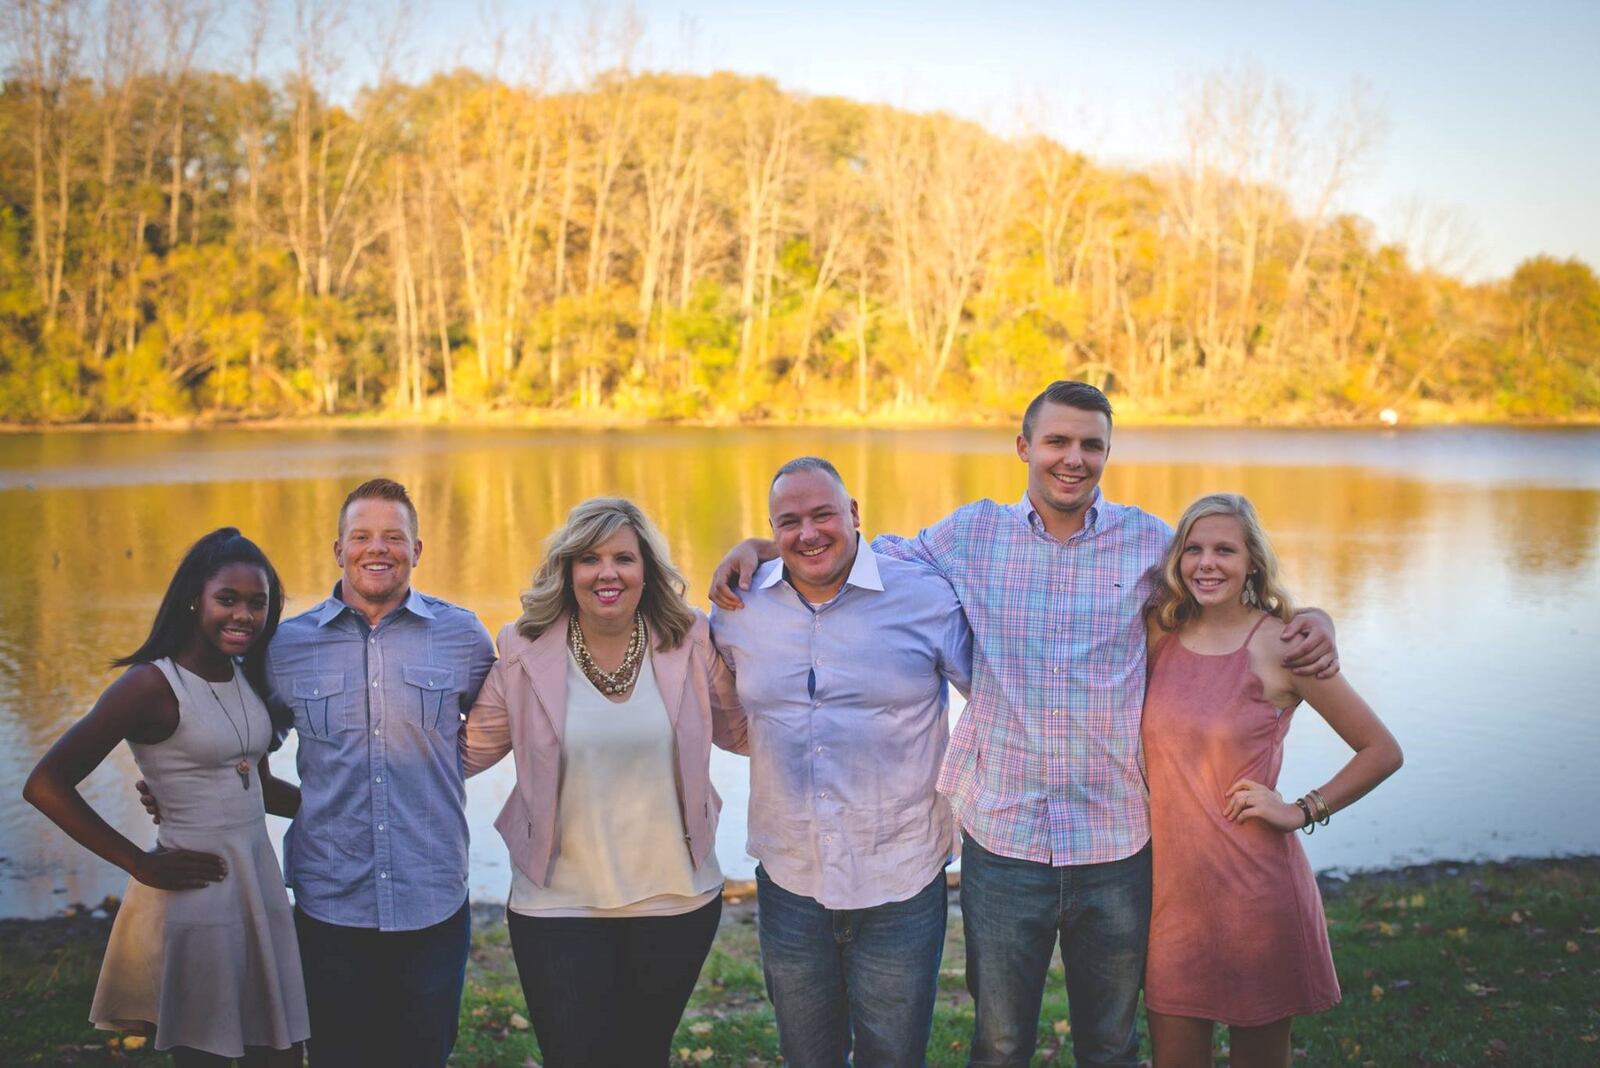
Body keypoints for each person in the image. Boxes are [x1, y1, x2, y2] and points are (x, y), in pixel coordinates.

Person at [711, 381, 1341, 1068]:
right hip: (1004, 840)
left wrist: (1309, 618)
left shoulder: (1150, 544)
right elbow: (854, 553)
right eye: (1058, 442)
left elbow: (1226, 593)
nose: (1073, 459)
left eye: (1091, 445)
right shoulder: (968, 535)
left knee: (1109, 1044)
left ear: (1106, 453)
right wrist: (762, 546)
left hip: (1118, 841)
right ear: (1024, 448)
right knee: (1001, 1043)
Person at [141, 478, 496, 1067]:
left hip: (431, 898)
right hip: (330, 903)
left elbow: (506, 723)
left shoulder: (462, 635)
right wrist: (181, 786)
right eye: (361, 536)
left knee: (424, 1055)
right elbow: (241, 742)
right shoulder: (286, 646)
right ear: (338, 550)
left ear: (418, 549)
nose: (376, 549)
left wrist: (442, 775)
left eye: (393, 537)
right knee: (337, 1055)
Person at [459, 497, 747, 1068]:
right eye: (589, 559)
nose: (607, 572)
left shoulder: (689, 639)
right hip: (554, 904)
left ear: (647, 571)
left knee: (643, 1054)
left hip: (675, 898)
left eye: (623, 558)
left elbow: (746, 732)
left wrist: (760, 553)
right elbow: (462, 754)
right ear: (568, 571)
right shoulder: (523, 647)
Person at [708, 458, 973, 1068]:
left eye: (823, 514)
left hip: (901, 874)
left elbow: (992, 703)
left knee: (893, 1056)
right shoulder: (738, 609)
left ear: (854, 513)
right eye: (789, 521)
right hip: (791, 873)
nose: (809, 533)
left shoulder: (925, 597)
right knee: (808, 1054)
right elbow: (734, 724)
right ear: (771, 530)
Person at [23, 528, 309, 1066]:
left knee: (281, 1053)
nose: (243, 615)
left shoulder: (244, 676)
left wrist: (344, 811)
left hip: (258, 884)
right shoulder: (150, 685)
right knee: (208, 1052)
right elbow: (45, 783)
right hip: (196, 893)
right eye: (228, 599)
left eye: (258, 603)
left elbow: (262, 788)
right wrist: (139, 863)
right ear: (193, 598)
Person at [1140, 493, 1401, 1067]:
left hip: (1254, 894)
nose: (1206, 564)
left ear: (1253, 562)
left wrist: (1300, 809)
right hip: (1170, 898)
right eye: (1194, 549)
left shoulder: (1284, 645)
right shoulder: (1160, 633)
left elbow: (1380, 750)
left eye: (1225, 550)